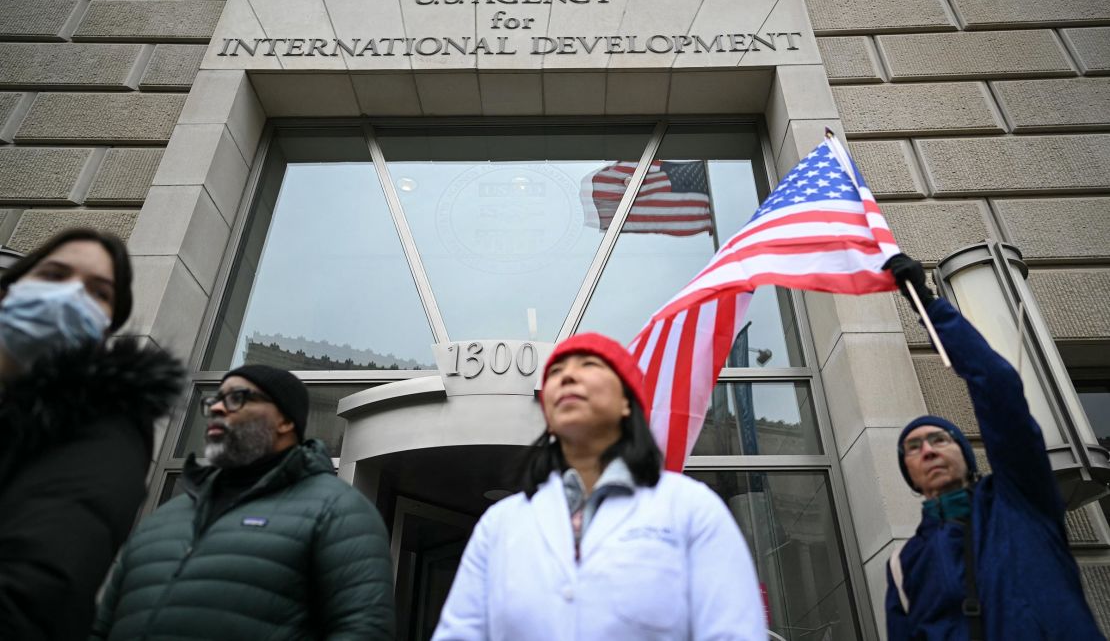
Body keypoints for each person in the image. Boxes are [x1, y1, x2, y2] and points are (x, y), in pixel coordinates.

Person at [433, 332, 767, 641]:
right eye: (556, 372)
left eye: (589, 365)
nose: (567, 376)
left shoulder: (690, 508)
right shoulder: (500, 524)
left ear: (626, 402)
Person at [883, 254, 1102, 640]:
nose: (928, 451)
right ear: (910, 476)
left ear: (966, 457)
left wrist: (928, 304)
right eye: (913, 448)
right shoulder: (903, 566)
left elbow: (997, 383)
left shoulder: (1020, 499)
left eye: (939, 439)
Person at [90, 363, 395, 640]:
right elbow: (101, 627)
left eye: (237, 398)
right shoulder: (163, 518)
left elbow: (364, 630)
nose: (218, 409)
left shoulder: (338, 510)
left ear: (285, 421)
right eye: (214, 400)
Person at [0, 228, 186, 640]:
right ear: (10, 289)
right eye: (53, 275)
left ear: (103, 329)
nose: (69, 297)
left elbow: (37, 592)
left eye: (98, 293)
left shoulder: (106, 432)